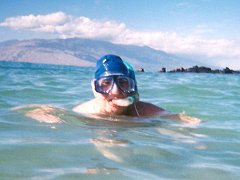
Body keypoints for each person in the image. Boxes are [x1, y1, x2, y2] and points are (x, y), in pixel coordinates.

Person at [73, 54, 201, 124]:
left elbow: (181, 119)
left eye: (124, 83)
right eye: (105, 83)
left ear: (134, 89)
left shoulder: (142, 111)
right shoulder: (84, 113)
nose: (116, 91)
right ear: (95, 89)